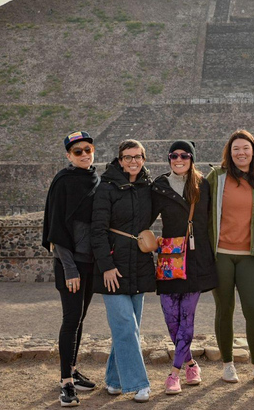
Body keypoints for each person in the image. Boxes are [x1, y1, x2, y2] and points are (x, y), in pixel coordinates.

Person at [151, 141, 218, 395]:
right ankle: (191, 362)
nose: (179, 159)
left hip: (197, 260)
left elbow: (214, 220)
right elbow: (144, 220)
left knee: (187, 319)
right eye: (174, 155)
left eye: (184, 155)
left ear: (192, 158)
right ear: (169, 158)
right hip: (169, 260)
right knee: (171, 320)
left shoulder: (203, 185)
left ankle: (175, 374)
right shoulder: (158, 187)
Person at [90, 139, 155, 403]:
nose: (133, 162)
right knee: (126, 325)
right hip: (113, 266)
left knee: (129, 328)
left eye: (137, 157)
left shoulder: (148, 187)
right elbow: (97, 231)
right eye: (127, 157)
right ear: (119, 160)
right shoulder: (105, 188)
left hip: (138, 264)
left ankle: (114, 380)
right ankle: (138, 383)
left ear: (144, 159)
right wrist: (106, 266)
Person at [206, 130, 254, 386]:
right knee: (225, 310)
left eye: (245, 148)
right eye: (235, 149)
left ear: (253, 152)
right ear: (229, 153)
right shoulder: (217, 177)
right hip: (221, 254)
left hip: (250, 255)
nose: (241, 153)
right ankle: (227, 364)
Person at [42, 131, 100, 407]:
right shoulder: (62, 182)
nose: (85, 154)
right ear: (68, 155)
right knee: (71, 319)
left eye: (88, 149)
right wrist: (70, 270)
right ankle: (65, 382)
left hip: (90, 262)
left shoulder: (95, 179)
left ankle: (74, 370)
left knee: (80, 318)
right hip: (71, 264)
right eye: (78, 151)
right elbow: (56, 230)